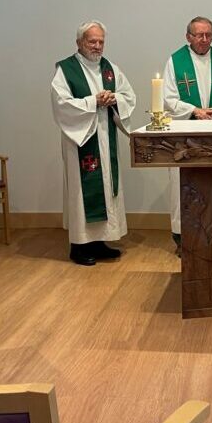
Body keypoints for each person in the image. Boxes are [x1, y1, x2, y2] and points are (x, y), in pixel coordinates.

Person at [51, 21, 136, 266]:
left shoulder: (110, 69)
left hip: (104, 135)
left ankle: (100, 242)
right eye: (92, 41)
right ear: (79, 42)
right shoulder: (66, 70)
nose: (97, 46)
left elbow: (128, 95)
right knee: (82, 191)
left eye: (101, 41)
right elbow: (61, 103)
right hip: (82, 139)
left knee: (107, 188)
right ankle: (79, 246)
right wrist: (93, 102)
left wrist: (114, 98)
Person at [162, 16, 212, 255]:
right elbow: (168, 99)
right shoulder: (175, 62)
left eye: (208, 35)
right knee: (182, 184)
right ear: (188, 36)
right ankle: (182, 239)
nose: (204, 39)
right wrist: (194, 111)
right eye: (199, 35)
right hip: (185, 134)